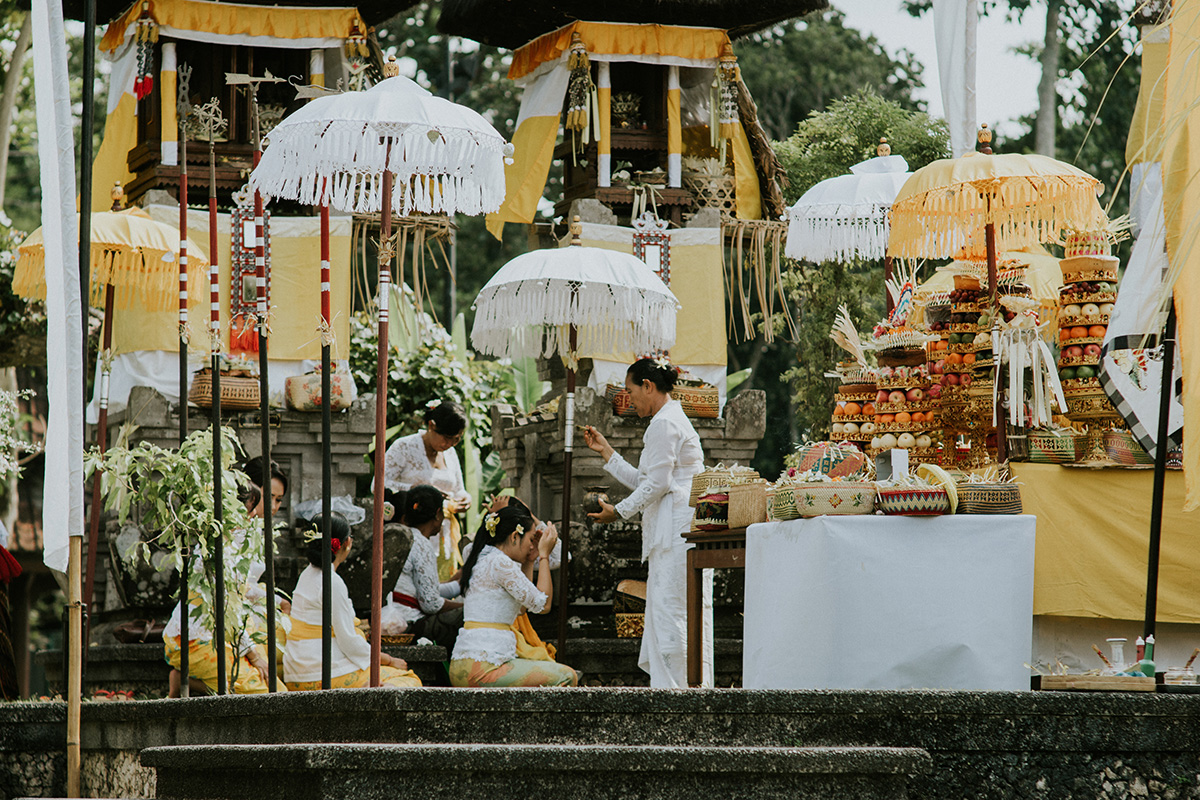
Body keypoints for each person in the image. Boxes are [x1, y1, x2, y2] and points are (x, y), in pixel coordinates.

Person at [583, 356, 714, 689]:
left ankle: (678, 692)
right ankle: (681, 688)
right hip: (678, 528)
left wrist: (619, 512)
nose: (629, 400)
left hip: (678, 531)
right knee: (672, 611)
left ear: (648, 386)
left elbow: (657, 485)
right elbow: (650, 480)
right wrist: (608, 453)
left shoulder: (665, 423)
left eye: (631, 391)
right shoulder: (669, 419)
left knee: (672, 612)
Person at [284, 512, 421, 690]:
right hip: (323, 673)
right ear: (347, 543)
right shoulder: (331, 582)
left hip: (297, 673)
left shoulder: (307, 575)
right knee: (408, 680)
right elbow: (348, 641)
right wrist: (388, 659)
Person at [164, 497, 285, 697]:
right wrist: (254, 656)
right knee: (262, 693)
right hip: (195, 642)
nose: (254, 515)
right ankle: (184, 680)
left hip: (221, 638)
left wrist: (278, 602)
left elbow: (243, 592)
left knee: (276, 689)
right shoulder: (215, 552)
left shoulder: (232, 550)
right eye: (249, 511)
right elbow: (227, 610)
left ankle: (189, 682)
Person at [449, 506, 578, 687]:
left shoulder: (481, 555)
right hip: (483, 668)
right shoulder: (500, 562)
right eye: (531, 539)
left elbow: (522, 608)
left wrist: (530, 560)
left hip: (464, 664)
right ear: (514, 537)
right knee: (567, 675)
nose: (533, 545)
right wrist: (544, 556)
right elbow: (544, 604)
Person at [383, 400, 472, 581]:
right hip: (411, 530)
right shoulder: (404, 446)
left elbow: (458, 489)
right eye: (447, 438)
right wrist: (415, 491)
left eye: (456, 439)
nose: (450, 444)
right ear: (431, 426)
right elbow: (379, 484)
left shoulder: (450, 453)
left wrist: (464, 499)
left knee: (441, 584)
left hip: (444, 534)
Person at [381, 484, 464, 651]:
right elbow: (431, 604)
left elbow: (425, 590)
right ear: (438, 515)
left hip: (389, 618)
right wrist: (466, 607)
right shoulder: (420, 543)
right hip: (410, 624)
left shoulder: (391, 536)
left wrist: (458, 585)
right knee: (470, 616)